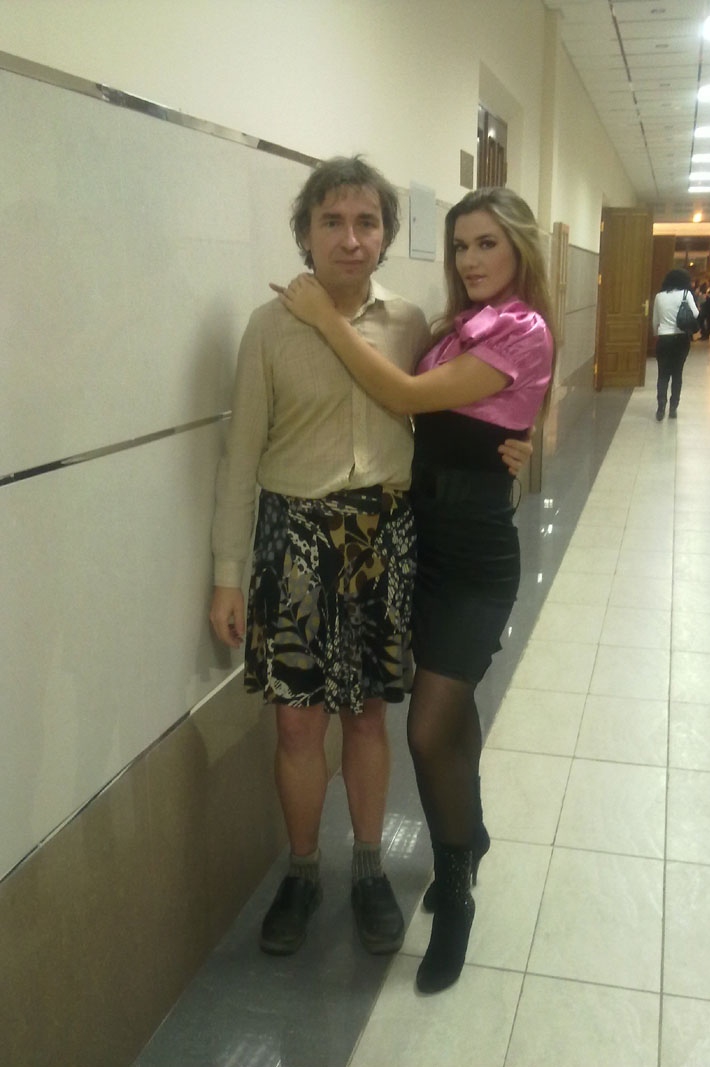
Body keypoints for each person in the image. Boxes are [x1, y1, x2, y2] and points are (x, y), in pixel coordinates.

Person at [209, 157, 528, 960]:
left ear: (385, 236)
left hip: (385, 537)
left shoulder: (415, 325)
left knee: (367, 717)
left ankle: (367, 867)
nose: (350, 239)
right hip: (293, 541)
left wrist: (518, 448)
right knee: (295, 723)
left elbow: (469, 410)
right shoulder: (268, 328)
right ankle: (302, 872)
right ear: (306, 232)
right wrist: (226, 574)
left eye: (367, 223)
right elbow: (240, 460)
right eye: (332, 222)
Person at [272, 186, 555, 993]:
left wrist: (323, 317)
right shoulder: (457, 326)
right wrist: (522, 433)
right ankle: (472, 832)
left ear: (519, 247)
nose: (470, 259)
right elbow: (444, 422)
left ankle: (455, 889)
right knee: (449, 707)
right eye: (461, 245)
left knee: (429, 727)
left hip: (475, 559)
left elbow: (399, 397)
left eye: (487, 243)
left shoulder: (523, 326)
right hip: (419, 545)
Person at [651, 268, 699, 420]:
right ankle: (673, 408)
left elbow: (655, 320)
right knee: (677, 374)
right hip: (681, 339)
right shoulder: (686, 294)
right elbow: (696, 314)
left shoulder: (659, 296)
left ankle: (661, 407)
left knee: (663, 374)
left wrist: (656, 334)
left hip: (664, 338)